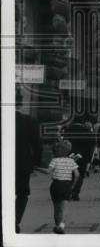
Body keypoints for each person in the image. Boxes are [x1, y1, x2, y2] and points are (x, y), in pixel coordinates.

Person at [15, 100, 44, 234]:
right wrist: (36, 162)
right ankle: (15, 220)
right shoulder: (29, 121)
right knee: (22, 193)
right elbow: (37, 144)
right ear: (20, 105)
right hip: (22, 165)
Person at [47, 139, 79, 235]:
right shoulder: (71, 161)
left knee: (56, 208)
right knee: (64, 207)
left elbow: (48, 171)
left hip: (56, 185)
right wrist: (73, 185)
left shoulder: (54, 160)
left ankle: (57, 226)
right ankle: (61, 225)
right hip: (67, 185)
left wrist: (36, 168)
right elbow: (77, 175)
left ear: (58, 150)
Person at [63, 117, 95, 201]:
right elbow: (91, 145)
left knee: (69, 174)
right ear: (82, 122)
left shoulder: (67, 130)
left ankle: (68, 191)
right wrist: (89, 157)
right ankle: (76, 192)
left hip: (69, 155)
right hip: (82, 156)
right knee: (80, 175)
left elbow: (63, 143)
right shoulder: (87, 131)